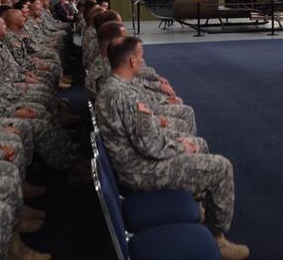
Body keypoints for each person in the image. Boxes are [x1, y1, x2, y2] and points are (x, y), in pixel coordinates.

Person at [96, 36, 249, 260]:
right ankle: (217, 238)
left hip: (134, 161)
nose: (142, 60)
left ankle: (196, 204)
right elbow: (150, 146)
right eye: (140, 56)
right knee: (222, 167)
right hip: (141, 171)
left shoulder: (112, 86)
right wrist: (180, 146)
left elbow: (144, 136)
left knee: (199, 143)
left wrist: (178, 141)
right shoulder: (125, 96)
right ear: (131, 61)